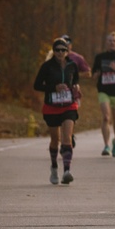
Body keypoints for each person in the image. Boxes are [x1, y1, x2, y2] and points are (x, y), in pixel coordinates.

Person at [33, 37, 81, 184]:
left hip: (68, 106)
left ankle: (67, 170)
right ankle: (54, 167)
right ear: (53, 52)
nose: (60, 52)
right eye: (58, 50)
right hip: (51, 107)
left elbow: (75, 81)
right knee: (55, 139)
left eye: (63, 50)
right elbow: (37, 85)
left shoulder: (72, 66)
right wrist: (54, 88)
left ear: (67, 52)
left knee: (67, 137)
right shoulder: (47, 66)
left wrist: (76, 88)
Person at [91, 32, 115, 157]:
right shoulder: (99, 57)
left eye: (114, 41)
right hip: (103, 90)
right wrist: (96, 75)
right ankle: (106, 145)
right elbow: (94, 74)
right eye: (110, 40)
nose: (112, 43)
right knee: (106, 117)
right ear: (106, 42)